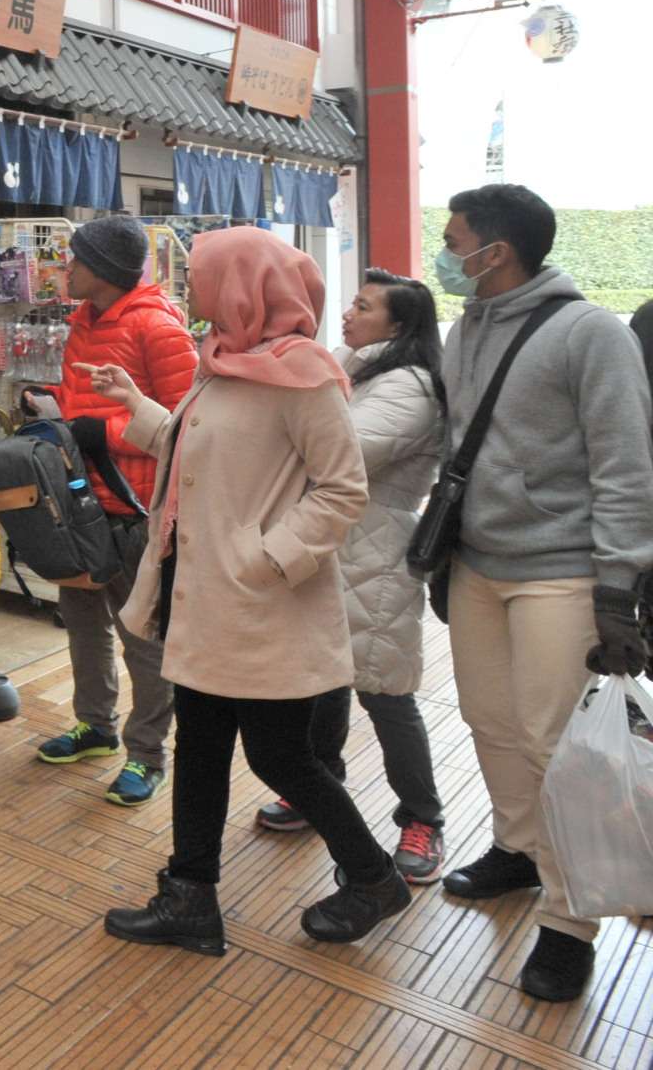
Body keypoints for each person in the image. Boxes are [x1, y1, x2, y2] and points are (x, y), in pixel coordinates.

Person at [97, 227, 409, 957]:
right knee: (202, 746)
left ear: (242, 284)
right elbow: (194, 452)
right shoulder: (222, 362)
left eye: (204, 275)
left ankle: (373, 878)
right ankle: (190, 896)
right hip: (203, 599)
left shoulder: (302, 374)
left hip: (258, 604)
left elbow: (342, 489)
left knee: (281, 756)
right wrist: (136, 402)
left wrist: (267, 559)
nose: (192, 289)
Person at [432, 185, 653, 1001]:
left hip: (560, 570)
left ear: (496, 251)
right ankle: (518, 850)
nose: (445, 253)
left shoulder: (591, 333)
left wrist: (617, 587)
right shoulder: (465, 328)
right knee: (489, 721)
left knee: (552, 743)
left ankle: (569, 921)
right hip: (477, 565)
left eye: (454, 240)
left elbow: (626, 465)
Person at [254, 270, 448, 884]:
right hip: (334, 543)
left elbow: (339, 451)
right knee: (323, 679)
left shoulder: (410, 384)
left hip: (376, 554)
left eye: (363, 307)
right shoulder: (355, 368)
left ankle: (423, 818)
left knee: (385, 692)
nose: (347, 313)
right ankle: (320, 790)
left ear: (398, 325)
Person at [25, 216, 197, 807]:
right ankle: (94, 726)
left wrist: (101, 432)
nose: (65, 268)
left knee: (142, 639)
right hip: (79, 503)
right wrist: (54, 406)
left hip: (135, 510)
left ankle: (147, 755)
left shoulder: (158, 326)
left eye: (74, 258)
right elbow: (88, 402)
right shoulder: (83, 320)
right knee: (81, 622)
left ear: (102, 267)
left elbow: (186, 427)